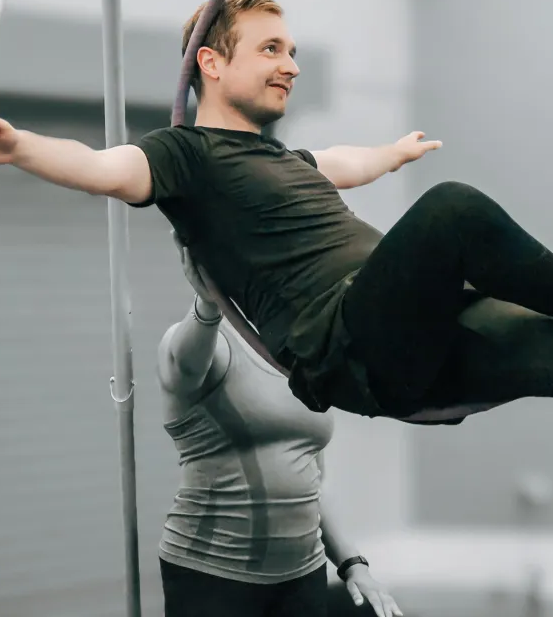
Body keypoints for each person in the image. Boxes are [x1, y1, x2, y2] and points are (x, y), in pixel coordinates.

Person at [0, 0, 553, 468]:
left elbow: (336, 164)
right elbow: (103, 167)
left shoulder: (283, 161)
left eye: (292, 49)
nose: (291, 62)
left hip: (417, 329)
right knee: (455, 211)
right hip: (348, 345)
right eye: (270, 48)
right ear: (212, 61)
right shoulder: (186, 157)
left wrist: (390, 154)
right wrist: (19, 149)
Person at [154, 231, 401, 617]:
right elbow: (184, 366)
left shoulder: (302, 353)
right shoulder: (201, 342)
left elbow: (310, 482)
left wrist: (353, 563)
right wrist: (208, 302)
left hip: (303, 576)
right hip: (213, 576)